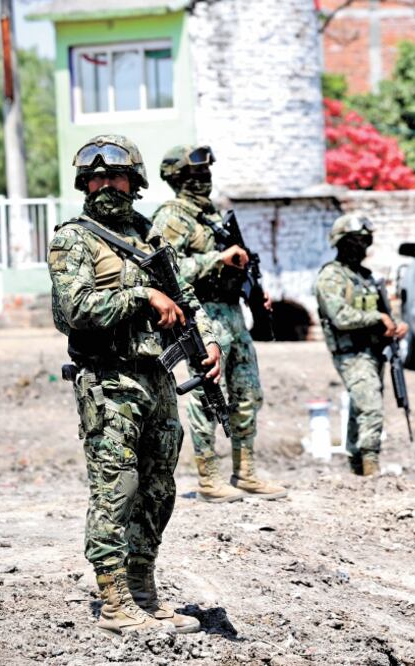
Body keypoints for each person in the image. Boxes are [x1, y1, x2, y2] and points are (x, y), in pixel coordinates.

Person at [48, 135, 222, 635]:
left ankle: (145, 591)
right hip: (109, 381)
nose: (106, 184)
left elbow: (186, 300)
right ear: (84, 182)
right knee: (116, 490)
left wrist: (207, 341)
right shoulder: (73, 239)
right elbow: (73, 310)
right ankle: (115, 601)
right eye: (96, 177)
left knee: (157, 490)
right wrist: (141, 294)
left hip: (159, 379)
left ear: (135, 181)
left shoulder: (148, 235)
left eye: (116, 176)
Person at [152, 145, 285, 502]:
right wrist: (217, 258)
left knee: (247, 393)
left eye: (207, 174)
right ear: (178, 179)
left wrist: (252, 290)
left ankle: (246, 472)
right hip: (202, 316)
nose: (204, 181)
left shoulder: (213, 216)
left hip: (233, 316)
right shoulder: (172, 217)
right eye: (196, 176)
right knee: (206, 396)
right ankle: (208, 477)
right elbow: (166, 270)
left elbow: (235, 266)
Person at [315, 214, 408, 476]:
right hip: (350, 353)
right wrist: (378, 318)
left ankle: (357, 467)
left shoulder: (366, 277)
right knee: (370, 407)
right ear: (342, 242)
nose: (362, 247)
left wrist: (395, 324)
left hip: (374, 351)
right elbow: (340, 316)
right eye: (356, 241)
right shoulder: (331, 277)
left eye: (365, 241)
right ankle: (370, 466)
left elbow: (384, 309)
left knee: (361, 406)